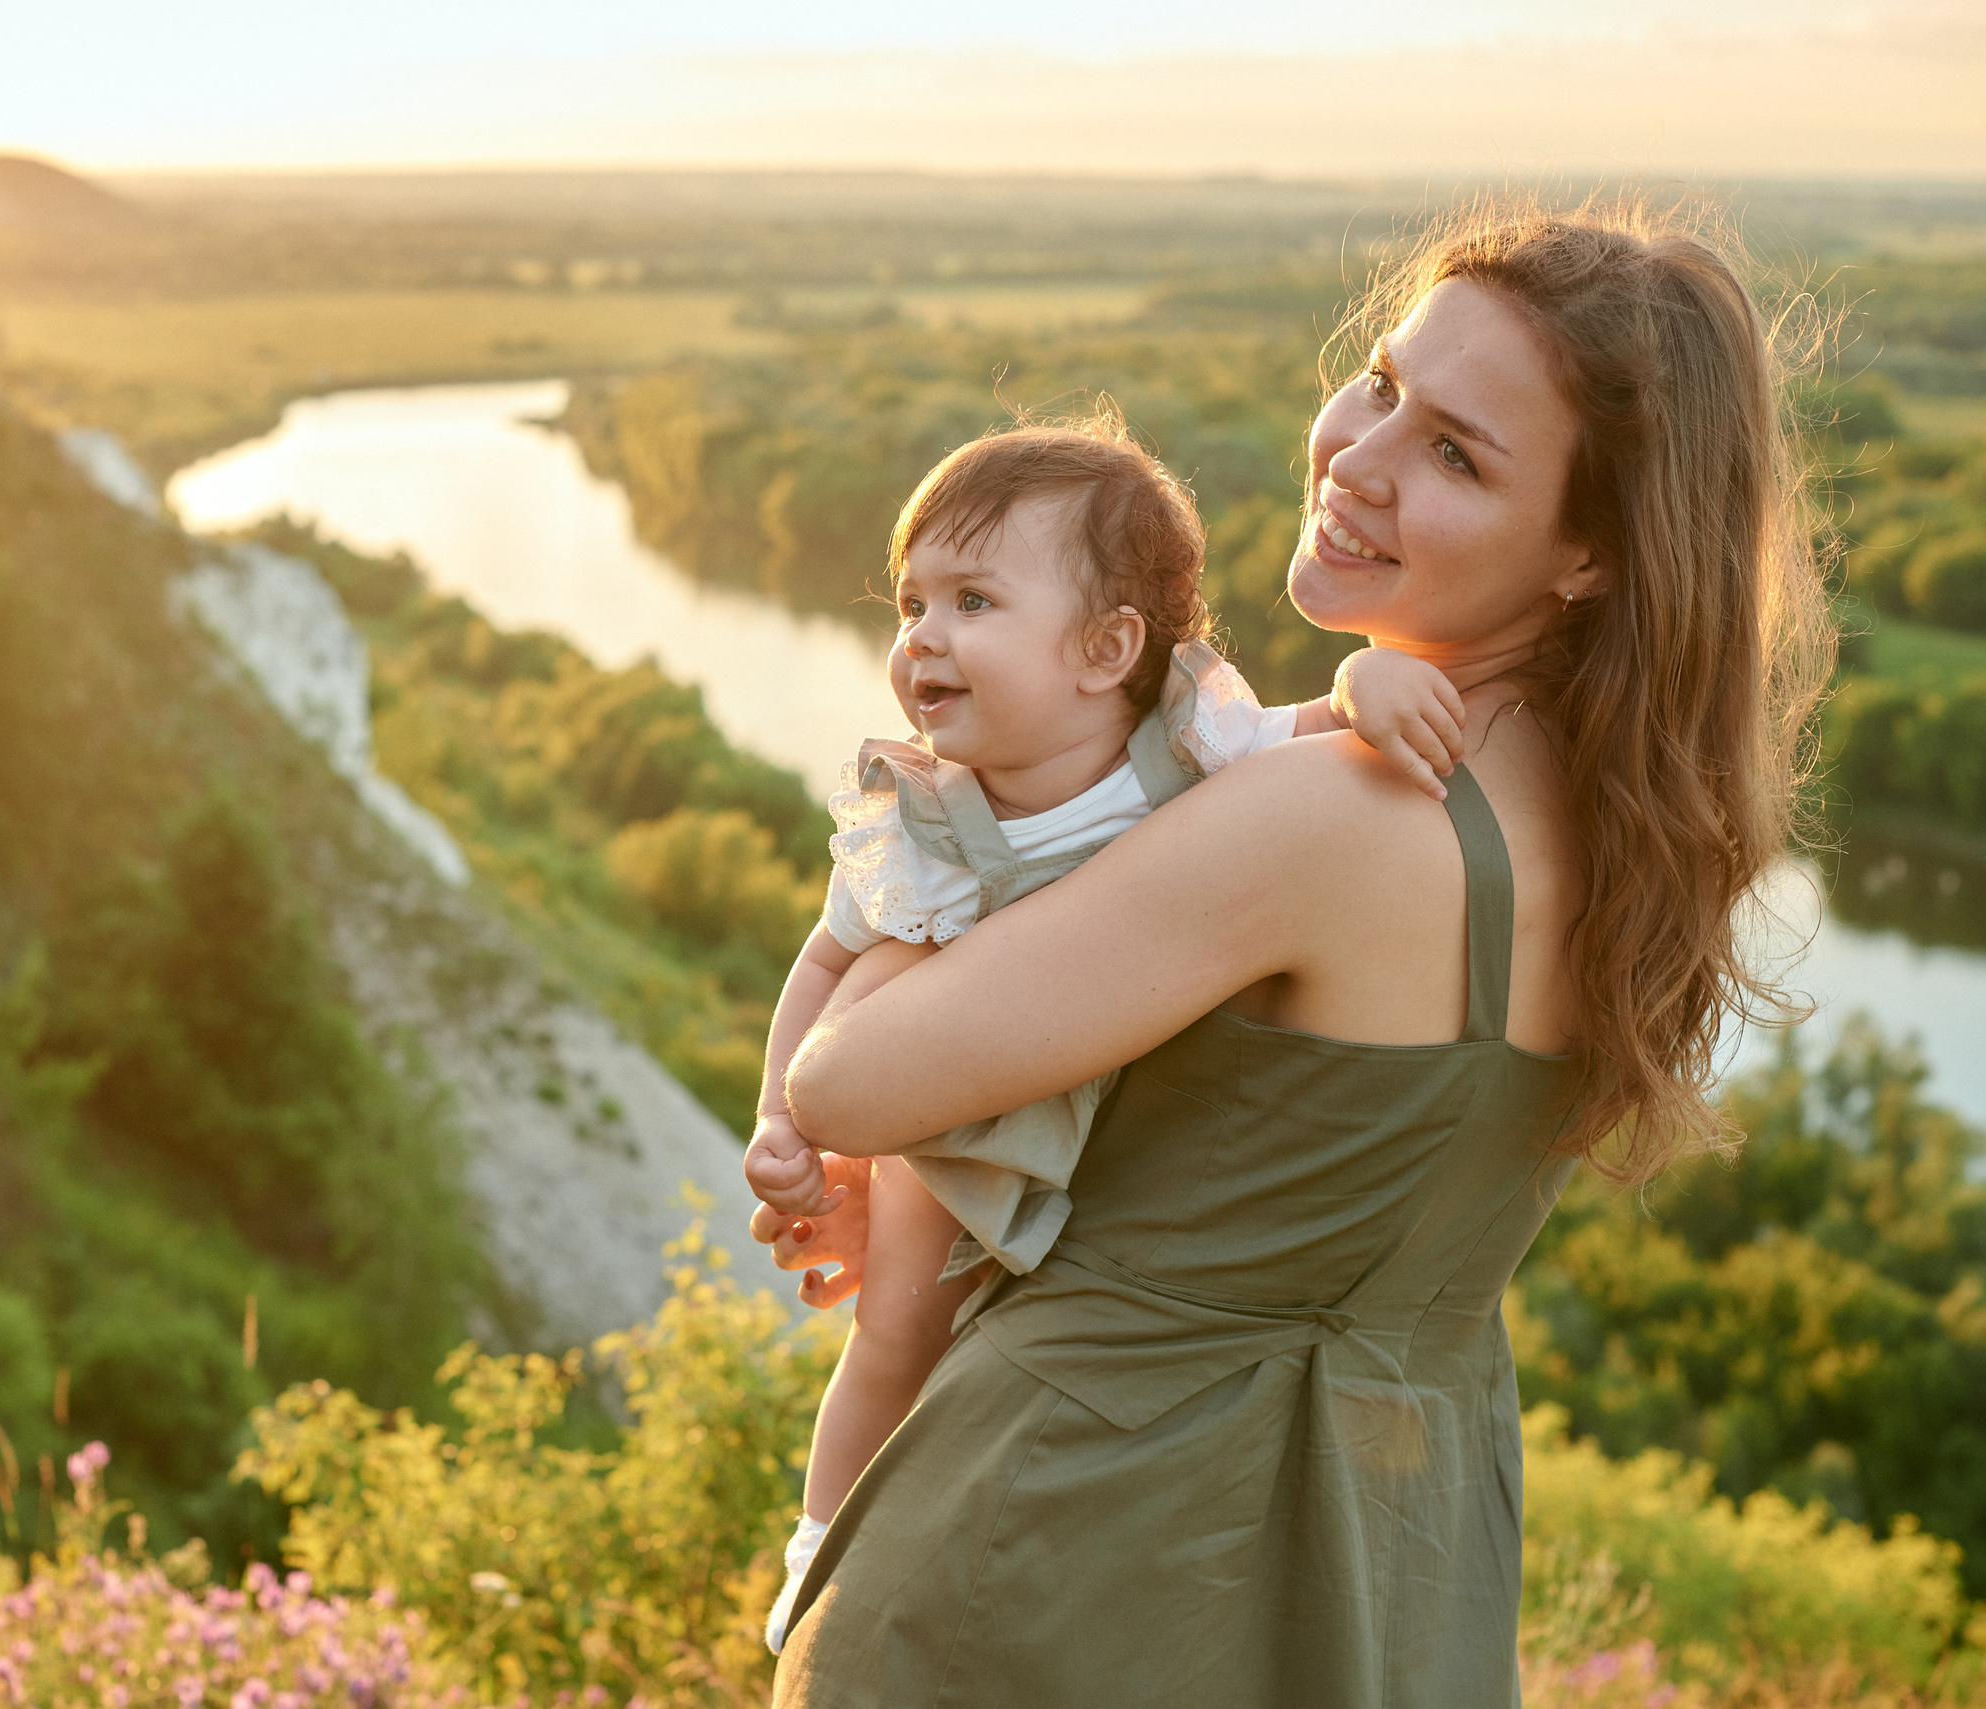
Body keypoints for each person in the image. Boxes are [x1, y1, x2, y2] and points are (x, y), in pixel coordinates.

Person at [759, 198, 1833, 1707]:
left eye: (1455, 453)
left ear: (1589, 554)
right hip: (1384, 1565)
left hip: (1062, 1554)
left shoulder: (1326, 815)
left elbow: (851, 1087)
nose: (1359, 458)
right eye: (1384, 385)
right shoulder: (1629, 835)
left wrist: (884, 941)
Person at [740, 415, 1466, 1651]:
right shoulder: (915, 816)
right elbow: (825, 957)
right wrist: (777, 1117)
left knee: (1031, 1349)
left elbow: (1308, 732)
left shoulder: (1183, 745)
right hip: (958, 1122)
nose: (922, 635)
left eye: (972, 600)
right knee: (896, 1328)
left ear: (1105, 648)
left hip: (1130, 1146)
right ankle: (823, 1556)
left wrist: (1368, 678)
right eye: (911, 602)